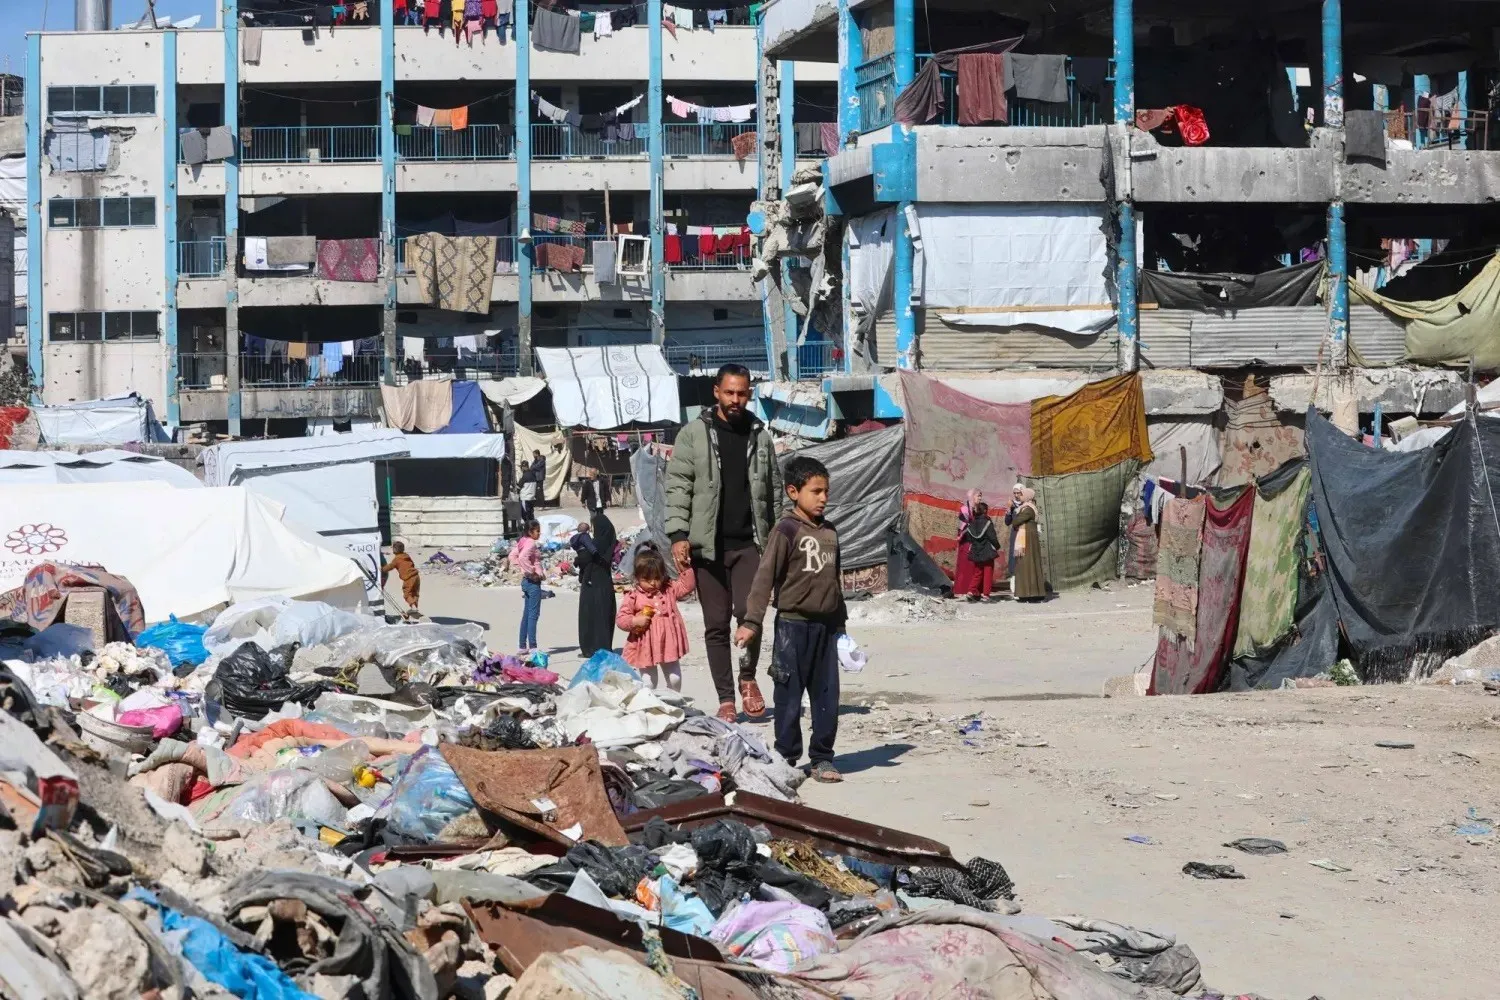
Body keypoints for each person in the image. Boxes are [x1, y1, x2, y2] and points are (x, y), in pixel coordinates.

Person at [665, 363, 783, 723]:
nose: (735, 399)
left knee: (750, 616)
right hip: (707, 547)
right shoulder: (692, 435)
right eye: (729, 392)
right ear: (716, 391)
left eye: (742, 393)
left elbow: (774, 493)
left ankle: (748, 678)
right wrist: (678, 535)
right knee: (715, 624)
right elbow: (678, 486)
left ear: (750, 394)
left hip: (750, 544)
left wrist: (781, 540)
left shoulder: (760, 437)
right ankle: (726, 698)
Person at [736, 455, 846, 784]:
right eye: (816, 491)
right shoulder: (786, 530)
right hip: (792, 627)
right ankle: (786, 757)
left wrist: (841, 627)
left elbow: (834, 581)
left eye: (826, 490)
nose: (824, 497)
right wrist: (751, 622)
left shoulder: (831, 532)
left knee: (827, 695)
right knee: (788, 695)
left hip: (826, 630)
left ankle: (823, 758)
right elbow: (764, 578)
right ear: (793, 491)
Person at [615, 546, 696, 691]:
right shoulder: (633, 596)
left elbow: (687, 586)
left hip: (669, 643)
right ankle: (651, 706)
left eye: (657, 578)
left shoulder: (669, 590)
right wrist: (634, 621)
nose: (653, 583)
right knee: (649, 682)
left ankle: (673, 702)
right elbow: (621, 619)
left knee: (674, 679)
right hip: (645, 646)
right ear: (637, 577)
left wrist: (685, 568)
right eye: (646, 579)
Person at [570, 499, 617, 658]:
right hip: (605, 583)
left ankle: (590, 648)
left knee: (589, 616)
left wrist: (577, 559)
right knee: (604, 615)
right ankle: (604, 647)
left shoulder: (594, 544)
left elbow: (582, 559)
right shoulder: (609, 543)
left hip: (591, 584)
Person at [1005, 485, 1047, 601]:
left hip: (1028, 540)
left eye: (1021, 494)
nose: (1018, 496)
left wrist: (1014, 512)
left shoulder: (1028, 509)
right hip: (1024, 539)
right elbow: (1009, 521)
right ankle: (1026, 593)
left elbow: (1016, 521)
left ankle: (1031, 593)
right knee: (1023, 565)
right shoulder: (1024, 508)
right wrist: (1010, 510)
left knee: (1028, 565)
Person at [509, 520, 545, 653]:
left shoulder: (522, 541)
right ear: (530, 532)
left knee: (527, 614)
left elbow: (512, 556)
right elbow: (523, 557)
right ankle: (533, 647)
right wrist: (532, 572)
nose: (539, 533)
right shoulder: (530, 542)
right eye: (537, 531)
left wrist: (522, 570)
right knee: (533, 615)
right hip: (532, 582)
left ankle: (522, 646)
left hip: (526, 581)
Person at [960, 502, 1001, 601]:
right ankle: (986, 595)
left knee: (977, 572)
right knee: (988, 572)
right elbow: (992, 537)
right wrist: (997, 546)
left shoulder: (971, 524)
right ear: (985, 511)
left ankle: (971, 591)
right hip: (987, 551)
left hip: (976, 551)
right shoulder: (987, 522)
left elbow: (969, 539)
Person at [951, 489, 982, 598]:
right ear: (972, 496)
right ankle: (962, 589)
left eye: (980, 496)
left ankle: (972, 589)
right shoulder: (964, 510)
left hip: (976, 542)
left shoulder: (979, 509)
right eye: (978, 496)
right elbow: (962, 527)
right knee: (965, 566)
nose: (980, 498)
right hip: (966, 541)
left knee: (974, 566)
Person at [381, 539, 421, 621]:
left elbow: (390, 567)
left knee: (407, 593)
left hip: (409, 578)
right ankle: (414, 609)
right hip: (416, 576)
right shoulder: (406, 556)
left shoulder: (397, 559)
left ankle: (413, 607)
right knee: (415, 593)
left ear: (394, 550)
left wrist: (381, 569)